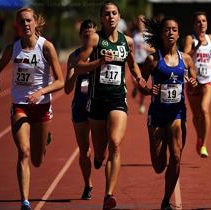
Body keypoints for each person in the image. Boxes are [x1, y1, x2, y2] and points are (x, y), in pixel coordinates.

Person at [74, 1, 146, 209]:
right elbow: (78, 66)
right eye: (107, 14)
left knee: (115, 143)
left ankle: (109, 195)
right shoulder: (95, 39)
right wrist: (98, 63)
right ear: (101, 18)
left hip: (117, 99)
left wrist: (139, 79)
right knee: (99, 152)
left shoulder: (127, 41)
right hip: (96, 101)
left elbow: (132, 64)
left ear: (119, 16)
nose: (111, 17)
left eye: (114, 13)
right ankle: (98, 157)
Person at [0, 7, 64, 210]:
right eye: (22, 21)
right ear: (18, 26)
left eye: (28, 20)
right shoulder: (12, 49)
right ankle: (25, 201)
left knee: (37, 159)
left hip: (42, 107)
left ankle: (44, 140)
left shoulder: (46, 47)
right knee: (23, 151)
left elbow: (60, 81)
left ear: (35, 23)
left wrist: (41, 92)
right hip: (20, 106)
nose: (25, 24)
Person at [140, 17, 197, 209]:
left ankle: (166, 200)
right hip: (157, 115)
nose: (171, 33)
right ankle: (160, 155)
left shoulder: (186, 59)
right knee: (159, 166)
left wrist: (194, 85)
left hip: (177, 114)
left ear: (179, 34)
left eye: (174, 29)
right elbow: (141, 83)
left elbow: (193, 82)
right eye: (167, 29)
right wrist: (148, 90)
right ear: (161, 34)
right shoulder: (153, 60)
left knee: (176, 157)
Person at [64, 19, 97, 200]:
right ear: (81, 36)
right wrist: (76, 71)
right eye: (85, 35)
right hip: (80, 106)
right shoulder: (73, 57)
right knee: (84, 150)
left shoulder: (100, 53)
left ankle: (100, 155)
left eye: (92, 34)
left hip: (99, 105)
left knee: (101, 148)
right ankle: (88, 185)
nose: (88, 38)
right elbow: (67, 89)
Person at [183, 11, 211, 158]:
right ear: (194, 25)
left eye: (204, 21)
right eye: (198, 21)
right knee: (196, 116)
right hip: (193, 80)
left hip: (208, 79)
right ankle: (199, 137)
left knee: (204, 109)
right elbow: (185, 56)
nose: (201, 24)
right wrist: (197, 46)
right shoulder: (190, 39)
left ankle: (204, 144)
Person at [131, 15, 155, 114]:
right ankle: (136, 87)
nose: (140, 23)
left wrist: (145, 48)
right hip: (136, 60)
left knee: (142, 83)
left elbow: (153, 49)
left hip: (145, 61)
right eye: (139, 21)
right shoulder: (134, 34)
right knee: (134, 80)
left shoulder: (148, 35)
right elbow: (131, 46)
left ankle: (141, 105)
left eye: (142, 21)